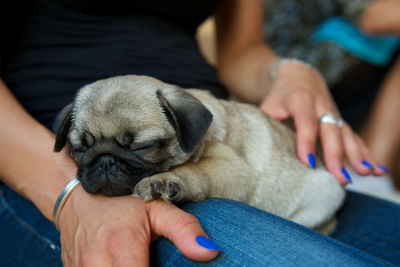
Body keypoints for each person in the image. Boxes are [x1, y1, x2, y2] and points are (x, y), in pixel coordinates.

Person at [0, 0, 398, 267]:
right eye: (90, 149)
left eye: (140, 147)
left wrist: (290, 71)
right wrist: (67, 195)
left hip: (205, 128)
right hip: (32, 164)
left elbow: (241, 54)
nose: (106, 164)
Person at [262, 0, 400, 187]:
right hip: (297, 62)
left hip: (364, 73)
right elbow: (373, 17)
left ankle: (372, 171)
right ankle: (373, 171)